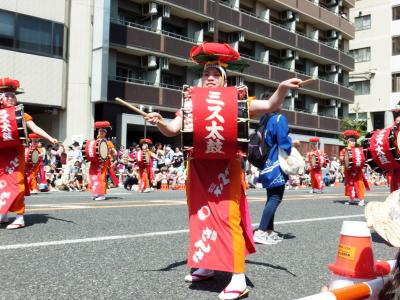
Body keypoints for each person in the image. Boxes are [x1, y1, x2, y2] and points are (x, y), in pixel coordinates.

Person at [145, 42, 303, 299]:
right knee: (201, 218)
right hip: (197, 169)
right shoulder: (191, 101)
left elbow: (271, 105)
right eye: (206, 73)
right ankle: (208, 265)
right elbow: (173, 129)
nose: (210, 78)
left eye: (216, 74)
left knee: (228, 222)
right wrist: (160, 121)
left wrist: (282, 88)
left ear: (224, 79)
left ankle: (238, 279)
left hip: (226, 170)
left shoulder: (237, 101)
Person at [0, 77, 58, 229]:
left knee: (15, 182)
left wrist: (50, 138)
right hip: (1, 153)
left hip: (15, 153)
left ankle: (19, 217)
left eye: (14, 95)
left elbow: (35, 128)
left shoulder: (21, 114)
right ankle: (3, 214)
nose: (12, 98)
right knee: (1, 184)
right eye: (8, 96)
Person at [253, 107, 292, 245]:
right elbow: (284, 141)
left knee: (271, 197)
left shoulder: (263, 119)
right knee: (276, 197)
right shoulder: (279, 118)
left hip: (265, 163)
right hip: (276, 162)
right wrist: (292, 145)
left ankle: (269, 230)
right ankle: (261, 231)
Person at [88, 121, 117, 201]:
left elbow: (115, 152)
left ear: (105, 133)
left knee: (101, 177)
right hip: (95, 161)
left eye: (103, 131)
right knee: (93, 176)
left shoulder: (108, 142)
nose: (101, 132)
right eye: (100, 131)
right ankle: (95, 193)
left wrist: (112, 153)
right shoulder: (94, 142)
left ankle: (101, 194)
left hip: (103, 162)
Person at [339, 130, 370, 206]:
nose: (353, 142)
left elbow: (363, 159)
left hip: (357, 170)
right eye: (351, 141)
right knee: (350, 184)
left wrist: (363, 167)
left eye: (354, 141)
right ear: (347, 141)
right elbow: (341, 159)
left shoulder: (358, 150)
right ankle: (351, 198)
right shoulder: (344, 150)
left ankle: (361, 199)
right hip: (348, 170)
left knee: (359, 183)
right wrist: (343, 159)